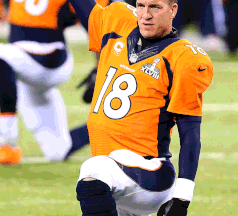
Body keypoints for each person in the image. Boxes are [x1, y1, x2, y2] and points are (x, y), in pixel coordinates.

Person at [67, 0, 214, 215]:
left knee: (94, 169)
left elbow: (190, 132)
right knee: (97, 174)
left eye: (155, 7)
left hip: (151, 173)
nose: (146, 14)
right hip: (117, 175)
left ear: (173, 10)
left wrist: (182, 198)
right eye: (141, 6)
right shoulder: (118, 21)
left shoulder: (183, 57)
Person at [0, 0, 114, 164]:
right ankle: (114, 126)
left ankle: (7, 143)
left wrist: (100, 68)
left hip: (51, 60)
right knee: (58, 151)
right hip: (24, 65)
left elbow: (99, 25)